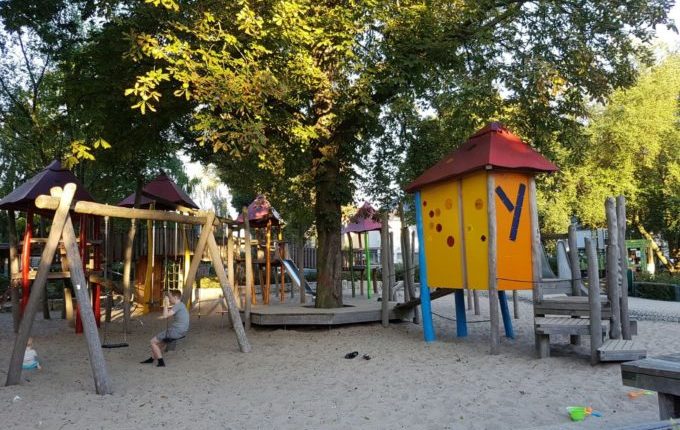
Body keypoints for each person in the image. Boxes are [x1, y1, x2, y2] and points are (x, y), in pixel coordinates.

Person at [140, 289, 189, 367]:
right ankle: (151, 359)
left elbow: (165, 315)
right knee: (161, 343)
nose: (169, 298)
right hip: (182, 331)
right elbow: (168, 314)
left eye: (170, 297)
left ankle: (161, 362)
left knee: (152, 342)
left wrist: (165, 304)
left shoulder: (178, 306)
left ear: (175, 297)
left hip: (176, 331)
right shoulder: (181, 305)